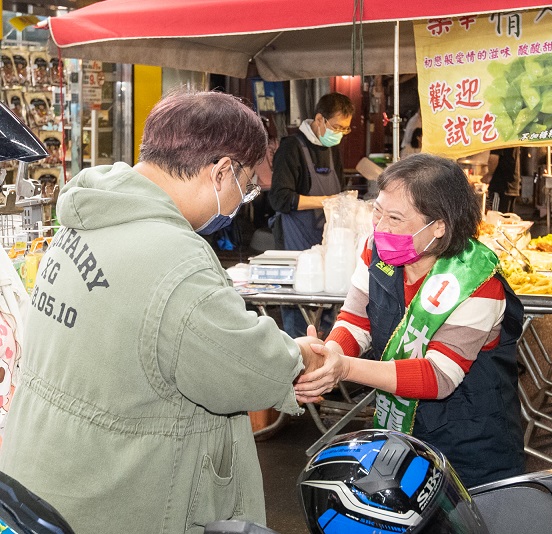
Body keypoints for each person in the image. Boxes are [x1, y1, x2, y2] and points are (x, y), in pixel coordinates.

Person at [0, 91, 324, 534]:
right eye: (246, 184)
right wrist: (301, 355)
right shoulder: (177, 261)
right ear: (222, 171)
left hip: (42, 481)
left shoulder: (89, 215)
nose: (242, 198)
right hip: (118, 500)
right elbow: (248, 366)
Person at [294, 153, 525, 488]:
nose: (381, 227)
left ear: (439, 226)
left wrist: (343, 367)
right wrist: (326, 356)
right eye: (378, 212)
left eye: (396, 218)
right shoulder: (377, 251)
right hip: (403, 439)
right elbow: (356, 318)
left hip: (472, 444)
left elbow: (438, 376)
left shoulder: (477, 282)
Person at [269, 92, 354, 337]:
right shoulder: (291, 148)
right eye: (337, 127)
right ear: (319, 119)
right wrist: (326, 202)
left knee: (328, 313)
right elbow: (280, 198)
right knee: (300, 313)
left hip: (327, 244)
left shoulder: (331, 149)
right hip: (296, 243)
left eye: (345, 130)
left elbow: (337, 192)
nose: (339, 134)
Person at [485, 147, 521, 214]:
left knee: (495, 218)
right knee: (507, 219)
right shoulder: (512, 137)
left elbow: (493, 158)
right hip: (513, 183)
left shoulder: (499, 138)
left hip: (500, 186)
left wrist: (489, 175)